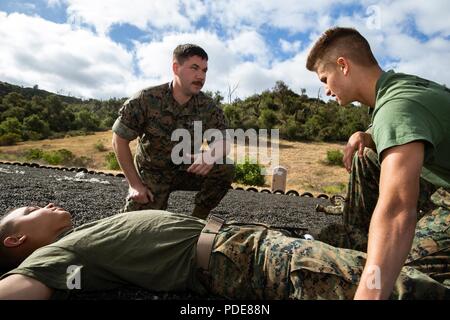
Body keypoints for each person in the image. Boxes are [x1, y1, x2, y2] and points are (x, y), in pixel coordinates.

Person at [0, 203, 448, 300]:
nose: (43, 204)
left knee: (397, 270)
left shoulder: (73, 244)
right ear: (15, 241)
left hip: (243, 246)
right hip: (242, 257)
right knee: (400, 288)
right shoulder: (46, 259)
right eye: (29, 209)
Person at [306, 27, 450, 299]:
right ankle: (355, 240)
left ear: (343, 65)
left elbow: (396, 213)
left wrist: (371, 288)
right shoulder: (395, 87)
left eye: (325, 79)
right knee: (367, 154)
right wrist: (367, 135)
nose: (326, 90)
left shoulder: (396, 108)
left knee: (398, 264)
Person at [112, 44, 234, 219]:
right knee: (134, 227)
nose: (201, 76)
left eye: (204, 70)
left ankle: (196, 220)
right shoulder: (146, 99)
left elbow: (224, 142)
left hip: (186, 168)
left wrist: (210, 155)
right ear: (176, 68)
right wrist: (135, 185)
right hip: (153, 172)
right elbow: (119, 140)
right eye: (194, 68)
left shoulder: (208, 107)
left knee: (225, 167)